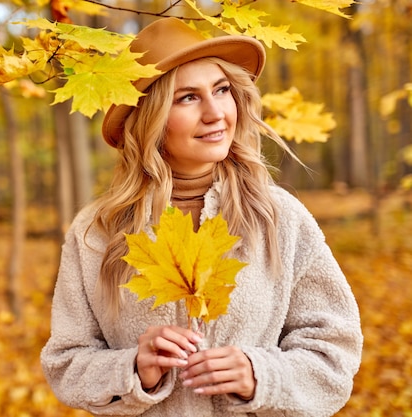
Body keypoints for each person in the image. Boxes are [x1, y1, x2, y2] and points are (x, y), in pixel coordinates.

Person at [40, 17, 363, 417]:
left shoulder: (281, 219)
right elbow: (66, 362)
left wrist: (259, 375)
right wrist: (134, 371)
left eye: (222, 90)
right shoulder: (95, 233)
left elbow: (335, 354)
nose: (215, 113)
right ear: (150, 119)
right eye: (187, 98)